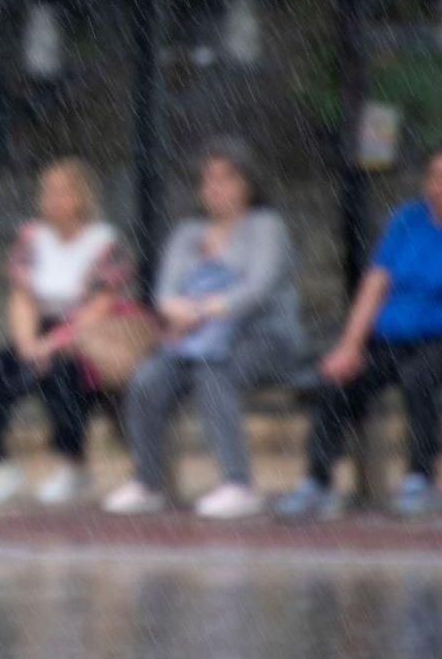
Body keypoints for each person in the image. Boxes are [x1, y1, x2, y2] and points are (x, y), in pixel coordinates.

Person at [277, 144, 442, 520]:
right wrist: (348, 347)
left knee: (419, 377)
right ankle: (318, 481)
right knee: (335, 380)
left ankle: (419, 479)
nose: (440, 187)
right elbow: (374, 287)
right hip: (393, 336)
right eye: (434, 178)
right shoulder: (406, 220)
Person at [101, 136, 304, 520]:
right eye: (209, 179)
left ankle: (238, 484)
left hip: (263, 336)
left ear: (248, 184)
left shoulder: (266, 226)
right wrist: (182, 313)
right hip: (194, 338)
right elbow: (164, 295)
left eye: (226, 178)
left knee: (214, 373)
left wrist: (206, 310)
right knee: (148, 379)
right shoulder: (187, 233)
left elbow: (258, 289)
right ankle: (147, 482)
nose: (215, 188)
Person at [0, 158, 134, 512]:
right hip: (38, 333)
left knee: (65, 375)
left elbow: (100, 306)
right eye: (48, 191)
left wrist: (54, 345)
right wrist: (28, 345)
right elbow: (22, 298)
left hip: (86, 338)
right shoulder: (32, 238)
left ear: (82, 198)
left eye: (63, 192)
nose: (53, 199)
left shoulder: (104, 243)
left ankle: (73, 466)